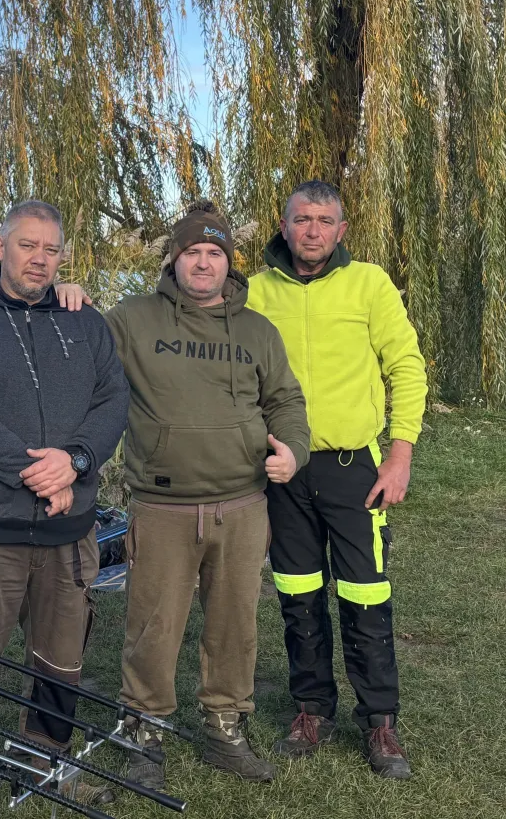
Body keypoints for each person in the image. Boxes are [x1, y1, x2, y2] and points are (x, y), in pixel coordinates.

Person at [0, 200, 130, 819]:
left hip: (69, 533)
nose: (39, 259)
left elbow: (113, 399)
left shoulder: (85, 322)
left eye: (51, 249)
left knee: (61, 663)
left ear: (63, 256)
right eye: (27, 245)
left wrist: (77, 461)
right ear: (0, 247)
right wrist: (38, 474)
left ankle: (42, 761)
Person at [101, 201, 310, 788]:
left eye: (214, 252)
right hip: (162, 506)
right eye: (191, 251)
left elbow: (286, 402)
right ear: (174, 259)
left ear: (228, 263)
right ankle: (144, 734)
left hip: (243, 506)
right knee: (153, 627)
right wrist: (66, 298)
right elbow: (79, 359)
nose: (202, 262)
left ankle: (225, 728)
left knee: (234, 626)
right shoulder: (133, 319)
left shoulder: (257, 331)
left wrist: (294, 450)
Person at [247, 180, 427, 779]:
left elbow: (406, 367)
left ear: (342, 230)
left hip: (354, 470)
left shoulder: (369, 284)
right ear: (284, 225)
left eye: (325, 221)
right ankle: (311, 709)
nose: (313, 230)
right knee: (297, 595)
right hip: (283, 470)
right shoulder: (255, 293)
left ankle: (379, 720)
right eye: (303, 219)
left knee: (366, 596)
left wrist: (399, 455)